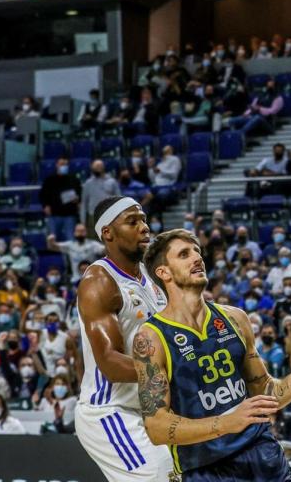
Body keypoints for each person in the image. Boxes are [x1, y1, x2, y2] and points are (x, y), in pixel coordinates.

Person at [135, 229, 291, 480]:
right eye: (184, 254)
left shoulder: (235, 317)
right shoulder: (151, 337)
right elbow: (156, 427)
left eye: (197, 251)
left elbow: (263, 393)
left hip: (262, 452)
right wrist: (227, 423)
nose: (197, 258)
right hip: (206, 466)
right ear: (163, 272)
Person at [73, 197, 173, 482]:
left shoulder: (151, 277)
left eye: (144, 220)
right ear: (108, 233)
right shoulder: (99, 282)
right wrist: (175, 369)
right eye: (133, 222)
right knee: (161, 476)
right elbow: (110, 363)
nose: (144, 227)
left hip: (151, 406)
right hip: (110, 411)